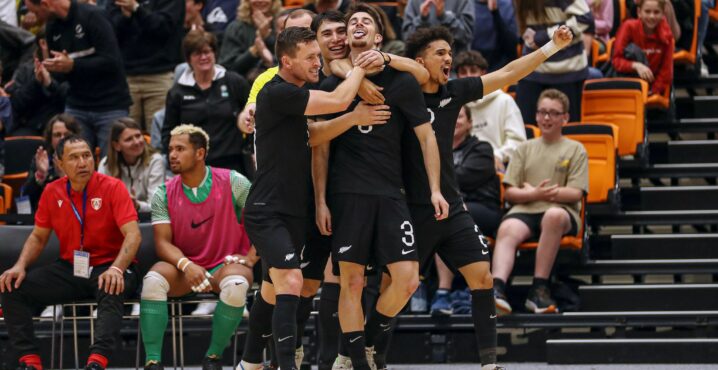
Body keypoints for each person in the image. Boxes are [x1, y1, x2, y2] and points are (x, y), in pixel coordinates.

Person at [389, 24, 571, 370]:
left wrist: (550, 48)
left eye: (449, 52)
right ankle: (371, 353)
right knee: (398, 285)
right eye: (440, 53)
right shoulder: (401, 96)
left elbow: (507, 72)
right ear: (418, 61)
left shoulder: (454, 92)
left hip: (452, 206)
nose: (448, 59)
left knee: (482, 277)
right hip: (411, 208)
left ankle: (488, 362)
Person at [312, 4, 450, 369]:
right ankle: (356, 360)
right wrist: (321, 200)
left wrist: (436, 189)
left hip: (391, 193)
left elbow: (426, 138)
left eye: (366, 22)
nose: (357, 25)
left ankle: (370, 340)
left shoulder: (401, 81)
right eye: (352, 21)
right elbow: (319, 150)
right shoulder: (332, 86)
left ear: (378, 37)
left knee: (406, 280)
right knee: (352, 283)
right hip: (347, 194)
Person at [240, 26, 368, 370]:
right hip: (267, 210)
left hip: (293, 211)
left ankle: (249, 363)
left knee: (271, 291)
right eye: (310, 57)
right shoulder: (277, 92)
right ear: (286, 61)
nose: (318, 62)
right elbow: (340, 98)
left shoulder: (292, 96)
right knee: (293, 281)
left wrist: (353, 118)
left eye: (318, 56)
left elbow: (313, 134)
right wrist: (358, 67)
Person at [0, 135, 141, 370]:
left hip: (112, 264)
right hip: (72, 268)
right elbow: (38, 237)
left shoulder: (113, 187)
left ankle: (97, 361)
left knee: (111, 284)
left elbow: (134, 234)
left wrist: (117, 268)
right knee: (13, 286)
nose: (82, 162)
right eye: (74, 158)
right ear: (60, 164)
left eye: (86, 156)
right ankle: (29, 359)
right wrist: (20, 265)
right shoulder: (52, 191)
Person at [140, 124, 255, 370]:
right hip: (184, 269)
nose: (172, 154)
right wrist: (186, 265)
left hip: (225, 266)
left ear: (200, 153)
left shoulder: (234, 181)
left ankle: (213, 357)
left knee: (237, 285)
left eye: (180, 149)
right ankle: (153, 361)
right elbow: (162, 243)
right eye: (170, 149)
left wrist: (251, 257)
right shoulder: (162, 193)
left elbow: (264, 220)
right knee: (152, 280)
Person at [492, 89, 588, 315]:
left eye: (554, 113)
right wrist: (533, 195)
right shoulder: (523, 149)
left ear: (565, 118)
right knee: (507, 227)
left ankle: (539, 289)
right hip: (526, 208)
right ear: (535, 116)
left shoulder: (576, 149)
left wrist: (538, 193)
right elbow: (510, 193)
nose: (547, 118)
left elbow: (575, 193)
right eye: (543, 112)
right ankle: (496, 289)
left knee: (553, 216)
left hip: (561, 211)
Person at [25, 0, 132, 156]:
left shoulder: (93, 16)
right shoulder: (52, 27)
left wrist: (74, 65)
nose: (35, 17)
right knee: (72, 162)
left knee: (110, 166)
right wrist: (48, 77)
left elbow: (112, 61)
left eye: (35, 11)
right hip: (76, 106)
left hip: (110, 105)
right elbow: (62, 76)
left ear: (45, 4)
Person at [162, 30, 251, 175]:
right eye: (197, 54)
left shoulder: (234, 82)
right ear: (189, 59)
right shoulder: (177, 92)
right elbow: (169, 133)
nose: (204, 57)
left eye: (207, 52)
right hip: (195, 167)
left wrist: (250, 149)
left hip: (233, 165)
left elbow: (252, 116)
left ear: (214, 53)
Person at [108, 0, 184, 131]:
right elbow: (109, 31)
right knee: (125, 136)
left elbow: (164, 28)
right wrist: (125, 17)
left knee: (158, 137)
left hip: (159, 76)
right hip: (126, 78)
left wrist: (137, 9)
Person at [513, 0, 594, 124]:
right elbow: (523, 24)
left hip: (566, 70)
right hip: (532, 69)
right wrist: (527, 36)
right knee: (526, 129)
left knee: (565, 132)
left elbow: (585, 18)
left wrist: (545, 36)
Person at [456, 50, 525, 171]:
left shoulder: (504, 101)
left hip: (499, 166)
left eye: (473, 71)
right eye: (463, 72)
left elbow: (518, 142)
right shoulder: (454, 105)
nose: (468, 76)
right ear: (457, 77)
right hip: (462, 166)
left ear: (483, 73)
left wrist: (497, 155)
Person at [452, 105, 502, 238]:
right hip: (453, 204)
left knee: (448, 213)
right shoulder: (438, 151)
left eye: (460, 116)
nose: (454, 119)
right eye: (451, 115)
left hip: (483, 207)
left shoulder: (482, 149)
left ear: (470, 123)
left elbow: (462, 179)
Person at [98, 118, 165, 213]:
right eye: (129, 139)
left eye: (138, 136)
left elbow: (157, 206)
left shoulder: (155, 161)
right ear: (117, 145)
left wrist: (137, 205)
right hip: (117, 218)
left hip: (148, 220)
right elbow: (103, 203)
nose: (137, 142)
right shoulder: (106, 164)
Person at [611, 0, 673, 96]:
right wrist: (635, 66)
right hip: (627, 85)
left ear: (663, 13)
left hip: (653, 89)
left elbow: (666, 71)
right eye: (647, 11)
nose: (652, 16)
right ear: (639, 12)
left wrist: (652, 91)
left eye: (656, 12)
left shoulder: (667, 35)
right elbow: (616, 60)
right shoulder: (628, 27)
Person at [22, 113, 81, 211]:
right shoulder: (42, 160)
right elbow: (26, 198)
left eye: (67, 135)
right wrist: (41, 175)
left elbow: (86, 197)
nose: (62, 138)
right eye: (57, 135)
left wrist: (64, 177)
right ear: (50, 139)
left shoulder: (83, 160)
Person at [219, 0, 282, 77]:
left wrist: (267, 37)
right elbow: (228, 67)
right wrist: (255, 50)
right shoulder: (235, 28)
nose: (260, 1)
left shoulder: (283, 23)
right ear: (247, 1)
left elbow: (290, 57)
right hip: (245, 84)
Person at [402, 0, 474, 52]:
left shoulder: (463, 1)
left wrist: (444, 17)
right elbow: (407, 39)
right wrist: (422, 19)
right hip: (421, 66)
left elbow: (466, 35)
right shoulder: (413, 2)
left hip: (454, 68)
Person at [471, 0, 519, 71]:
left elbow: (511, 46)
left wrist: (495, 12)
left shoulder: (507, 5)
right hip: (470, 61)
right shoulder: (466, 4)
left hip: (498, 63)